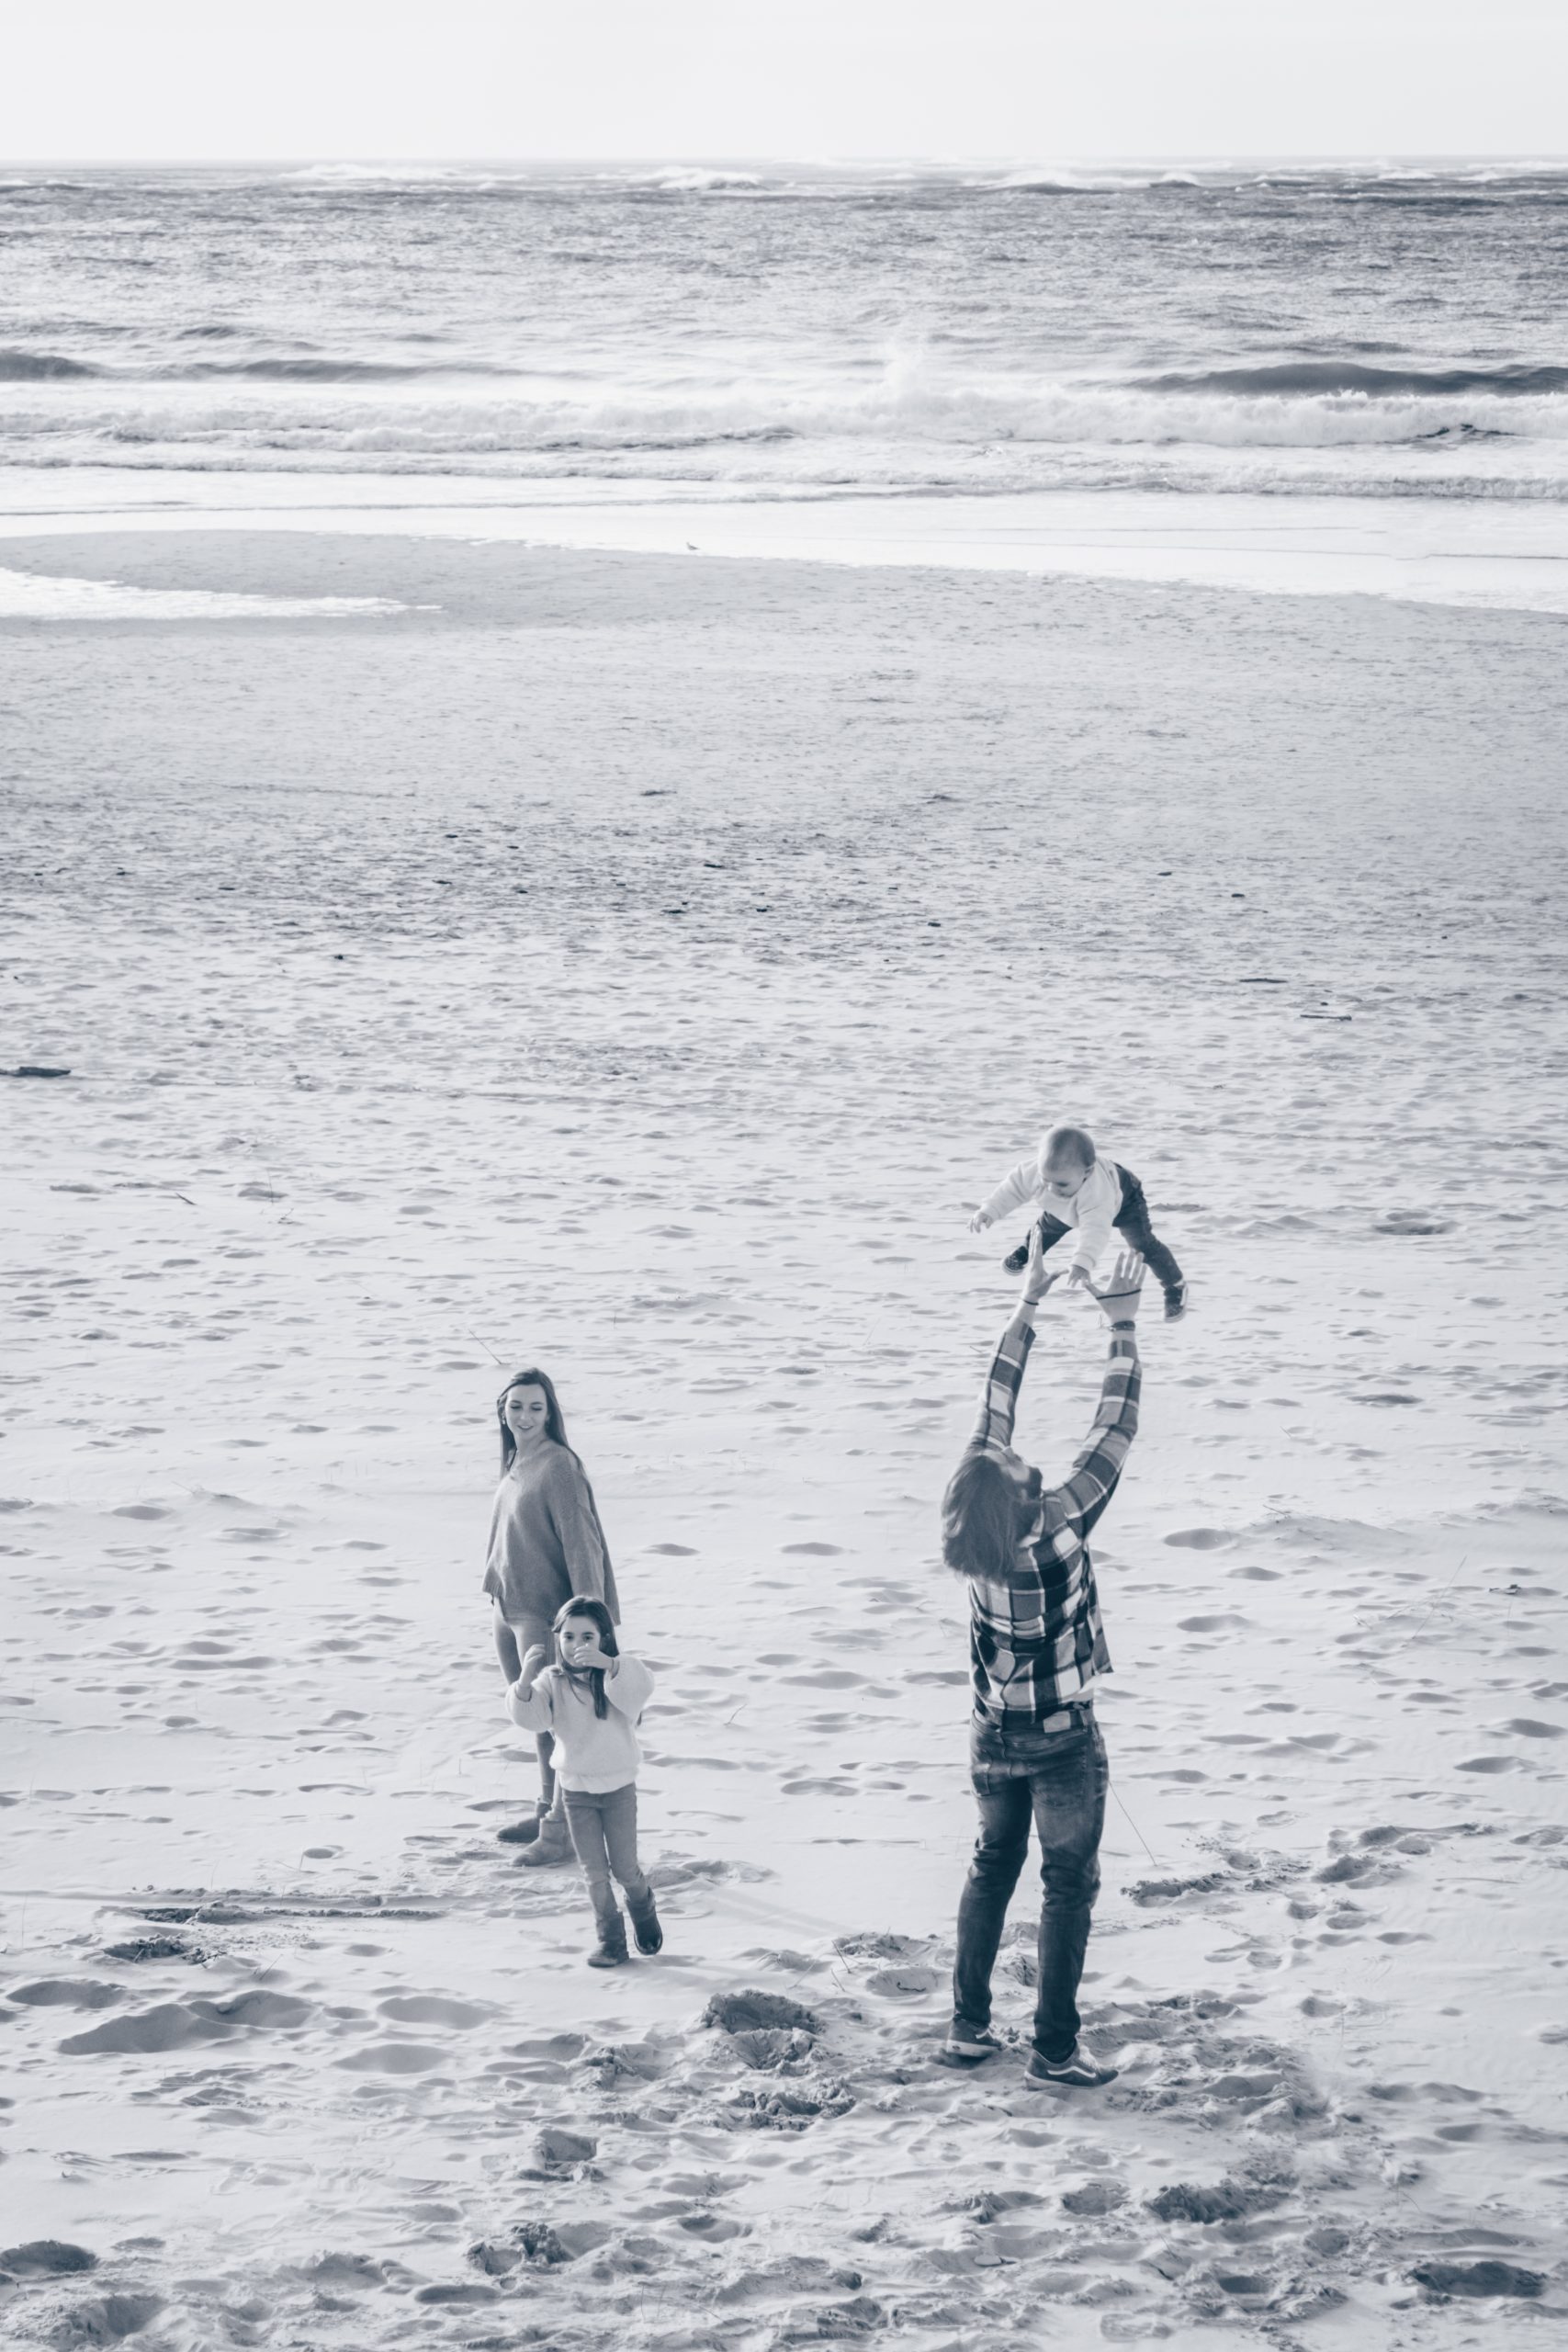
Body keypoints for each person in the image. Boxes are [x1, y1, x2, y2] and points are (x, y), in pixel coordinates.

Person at [940, 1228, 1145, 2087]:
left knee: (992, 1870)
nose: (1018, 1451)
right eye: (1018, 1462)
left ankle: (967, 2028)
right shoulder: (1057, 1526)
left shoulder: (971, 1534)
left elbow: (995, 1405)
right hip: (1062, 1739)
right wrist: (1122, 1328)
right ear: (1017, 1488)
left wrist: (1025, 1306)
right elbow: (1114, 1427)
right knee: (1066, 1888)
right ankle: (1053, 2052)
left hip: (992, 1736)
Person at [483, 1367, 619, 1868]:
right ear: (503, 1409)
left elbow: (583, 1544)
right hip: (507, 1604)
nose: (524, 1416)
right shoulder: (518, 1458)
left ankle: (560, 1832)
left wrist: (587, 1622)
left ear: (550, 1412)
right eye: (516, 1406)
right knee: (535, 1719)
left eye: (536, 1407)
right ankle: (546, 1809)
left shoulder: (559, 1465)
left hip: (546, 1613)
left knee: (560, 1722)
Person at [506, 1598, 661, 1968]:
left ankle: (643, 1905)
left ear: (604, 1637)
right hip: (576, 1792)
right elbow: (532, 1718)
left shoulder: (616, 1675)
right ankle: (610, 1941)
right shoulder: (552, 1682)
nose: (578, 1645)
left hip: (619, 1789)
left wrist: (608, 1665)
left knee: (624, 1868)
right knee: (594, 1873)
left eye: (588, 1636)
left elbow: (641, 1687)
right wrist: (525, 1680)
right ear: (557, 1638)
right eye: (569, 1636)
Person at [969, 1123, 1187, 1321]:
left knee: (1141, 1245)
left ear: (1087, 1172)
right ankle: (1026, 1252)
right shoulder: (1040, 1174)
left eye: (1061, 1184)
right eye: (1046, 1181)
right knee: (1047, 1227)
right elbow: (1012, 1189)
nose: (1052, 1189)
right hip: (1072, 1204)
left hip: (1124, 1201)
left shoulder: (1096, 1195)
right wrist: (989, 1211)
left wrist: (1082, 1262)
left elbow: (1095, 1231)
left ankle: (1174, 1286)